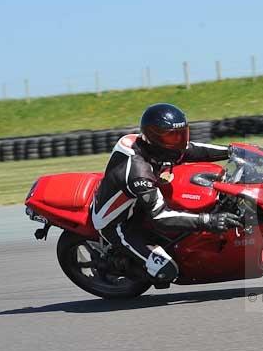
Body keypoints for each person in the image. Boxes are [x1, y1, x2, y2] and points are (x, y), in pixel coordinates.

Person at [90, 103, 242, 283]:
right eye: (172, 137)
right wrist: (209, 220)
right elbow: (160, 217)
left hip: (136, 203)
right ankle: (122, 265)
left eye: (181, 134)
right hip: (119, 224)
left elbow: (191, 149)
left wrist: (233, 151)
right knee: (167, 271)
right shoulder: (139, 173)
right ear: (154, 138)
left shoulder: (145, 143)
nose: (179, 141)